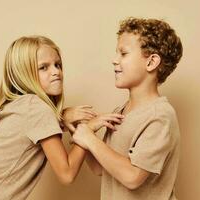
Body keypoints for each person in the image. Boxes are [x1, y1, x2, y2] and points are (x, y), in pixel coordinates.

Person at [0, 35, 123, 200]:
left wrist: (61, 117)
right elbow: (67, 174)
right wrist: (87, 130)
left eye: (57, 65)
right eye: (43, 67)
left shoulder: (22, 106)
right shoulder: (36, 108)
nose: (56, 72)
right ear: (24, 74)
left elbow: (27, 129)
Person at [72, 17, 183, 200]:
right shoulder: (121, 111)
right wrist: (82, 130)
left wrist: (89, 139)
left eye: (123, 54)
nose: (114, 60)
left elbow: (133, 177)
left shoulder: (160, 116)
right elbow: (99, 168)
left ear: (151, 62)